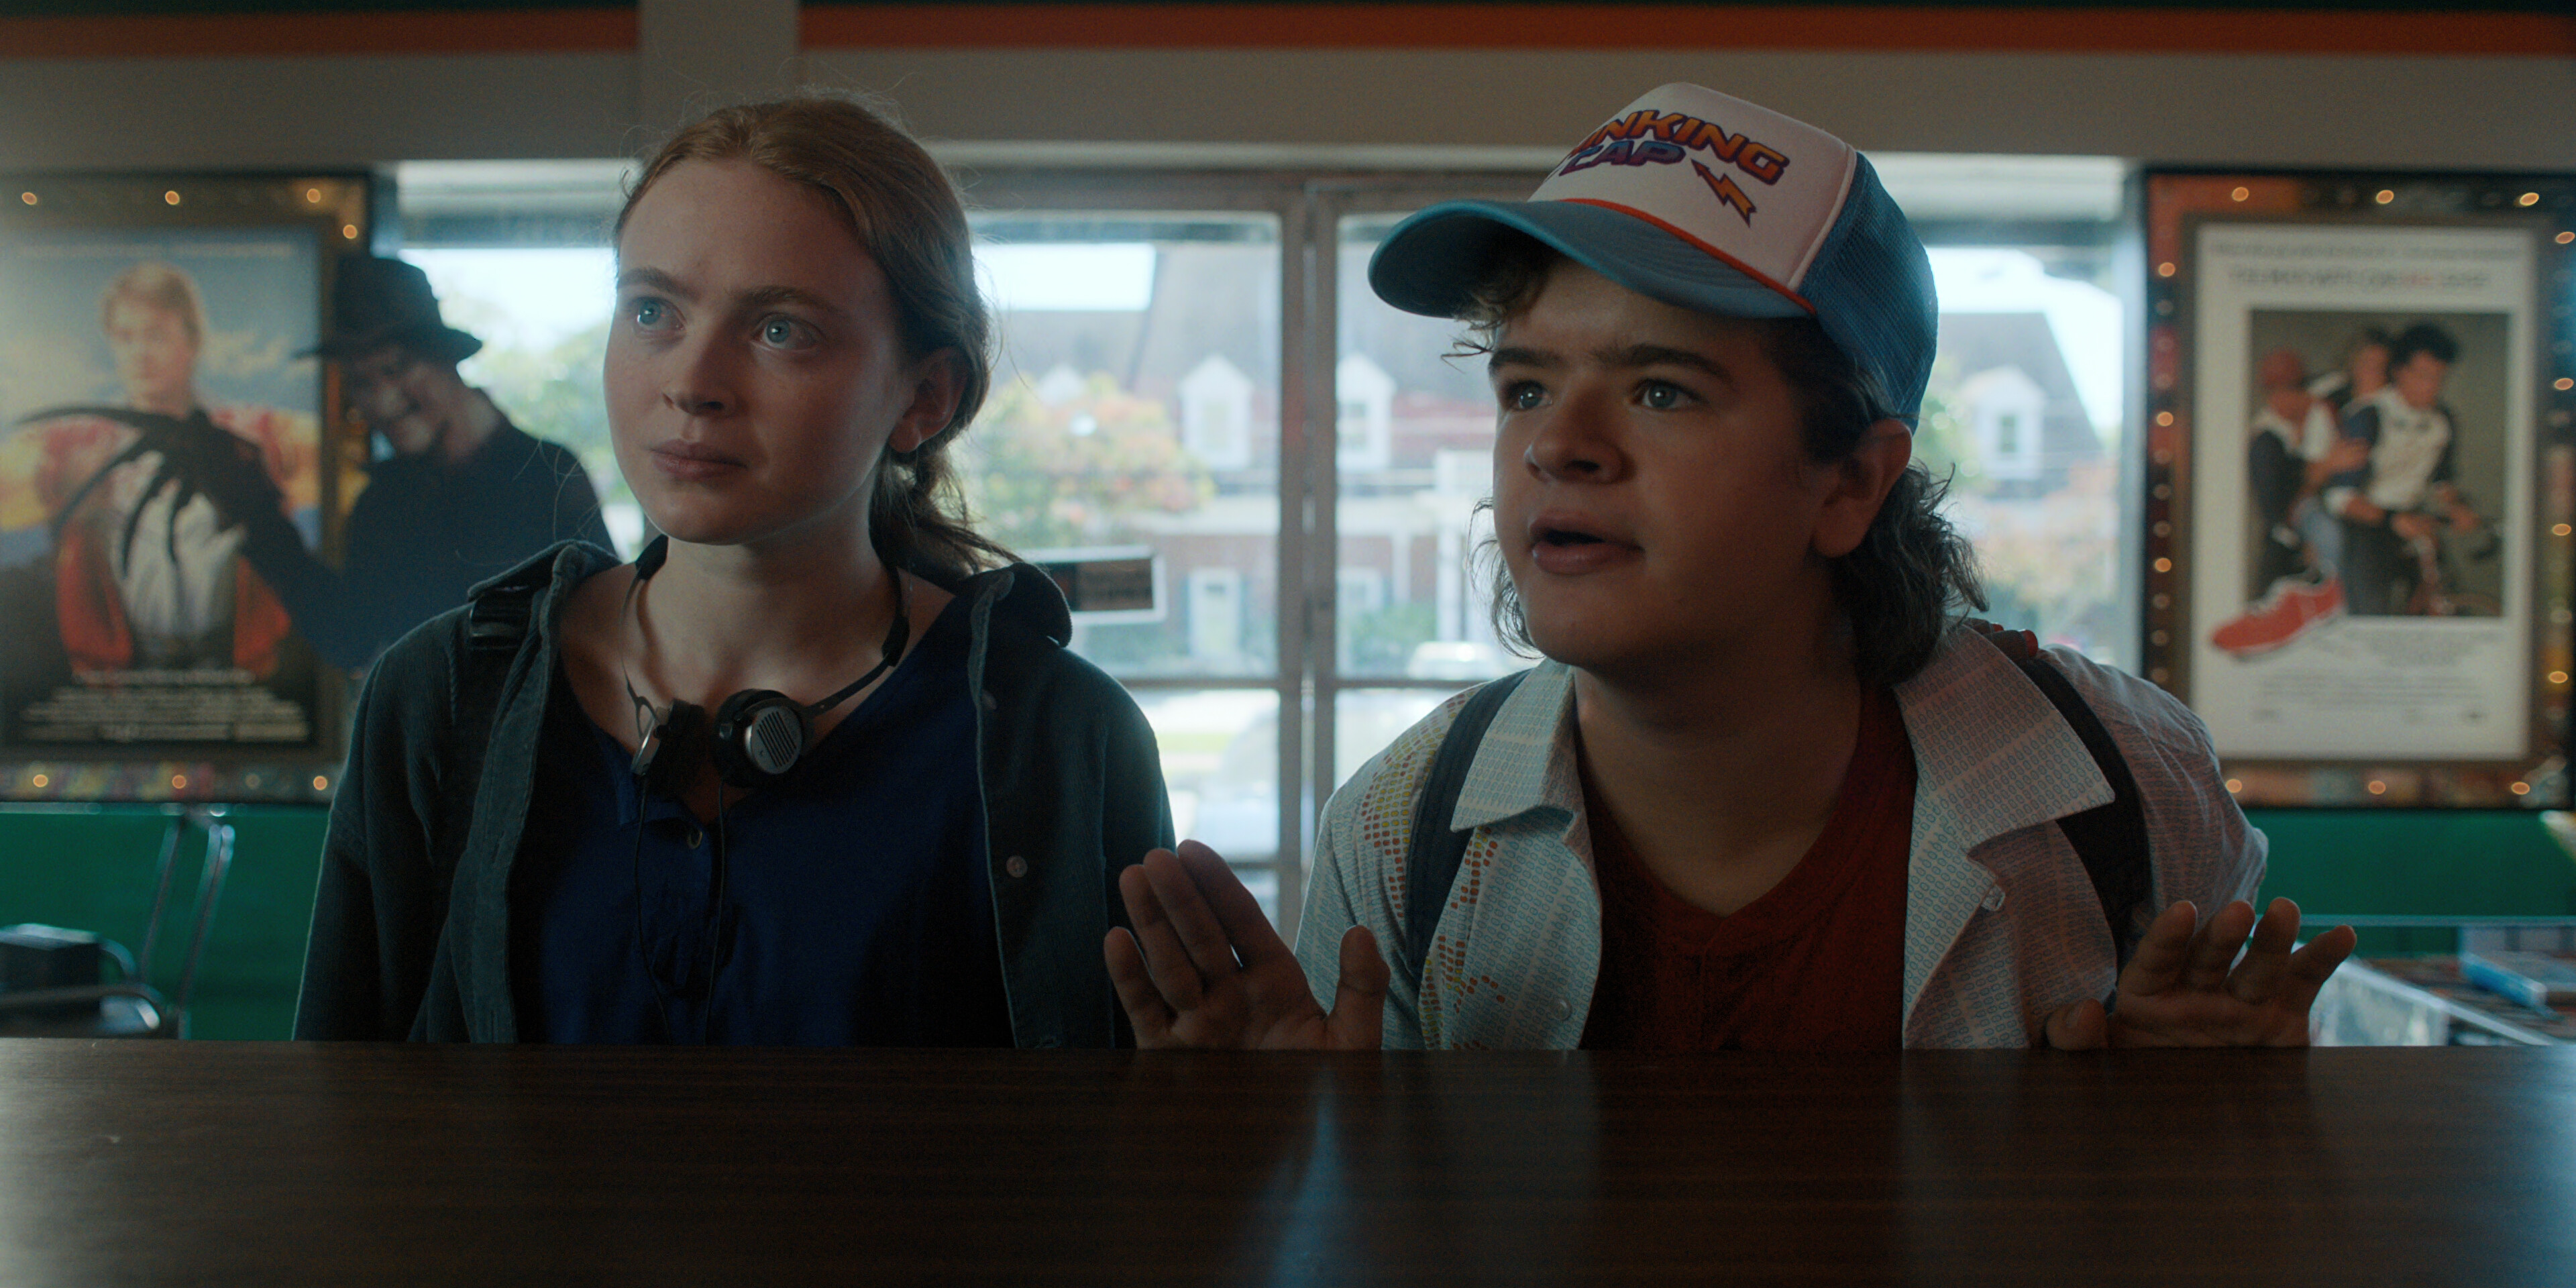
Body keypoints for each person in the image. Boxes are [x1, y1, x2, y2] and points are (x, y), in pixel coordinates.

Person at [1105, 83, 2354, 1053]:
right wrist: (1304, 1163)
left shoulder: (2125, 788)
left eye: (1661, 389)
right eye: (1525, 385)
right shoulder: (1400, 829)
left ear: (1850, 480)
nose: (1556, 445)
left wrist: (2205, 1145)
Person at [294, 95, 1173, 1046]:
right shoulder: (443, 698)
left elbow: (1132, 1112)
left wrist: (1247, 1092)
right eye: (653, 311)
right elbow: (348, 1105)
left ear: (925, 396)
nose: (691, 382)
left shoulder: (1062, 736)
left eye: (781, 330)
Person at [192, 256, 614, 669]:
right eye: (361, 382)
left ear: (445, 357)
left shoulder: (547, 474)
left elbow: (607, 628)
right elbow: (349, 638)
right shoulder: (385, 503)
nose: (381, 400)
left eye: (397, 368)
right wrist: (259, 517)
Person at [15, 261, 314, 674]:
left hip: (235, 664)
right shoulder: (84, 449)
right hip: (124, 669)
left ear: (192, 341)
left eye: (156, 335)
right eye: (125, 337)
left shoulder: (247, 441)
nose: (140, 353)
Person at [2209, 347, 2368, 656]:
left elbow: (2345, 382)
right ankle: (2311, 606)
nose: (2287, 398)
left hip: (2339, 505)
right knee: (2323, 533)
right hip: (2289, 530)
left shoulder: (2321, 406)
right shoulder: (2266, 439)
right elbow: (2280, 509)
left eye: (2295, 388)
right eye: (2277, 390)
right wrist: (2325, 467)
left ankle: (2333, 606)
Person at [2326, 321, 2487, 617]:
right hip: (2368, 527)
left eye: (2440, 377)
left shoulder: (2443, 421)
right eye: (2424, 376)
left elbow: (2441, 482)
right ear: (2400, 371)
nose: (2432, 387)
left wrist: (2458, 507)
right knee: (2372, 615)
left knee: (2447, 606)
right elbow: (2339, 498)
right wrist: (2392, 520)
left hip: (2414, 523)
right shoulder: (2369, 416)